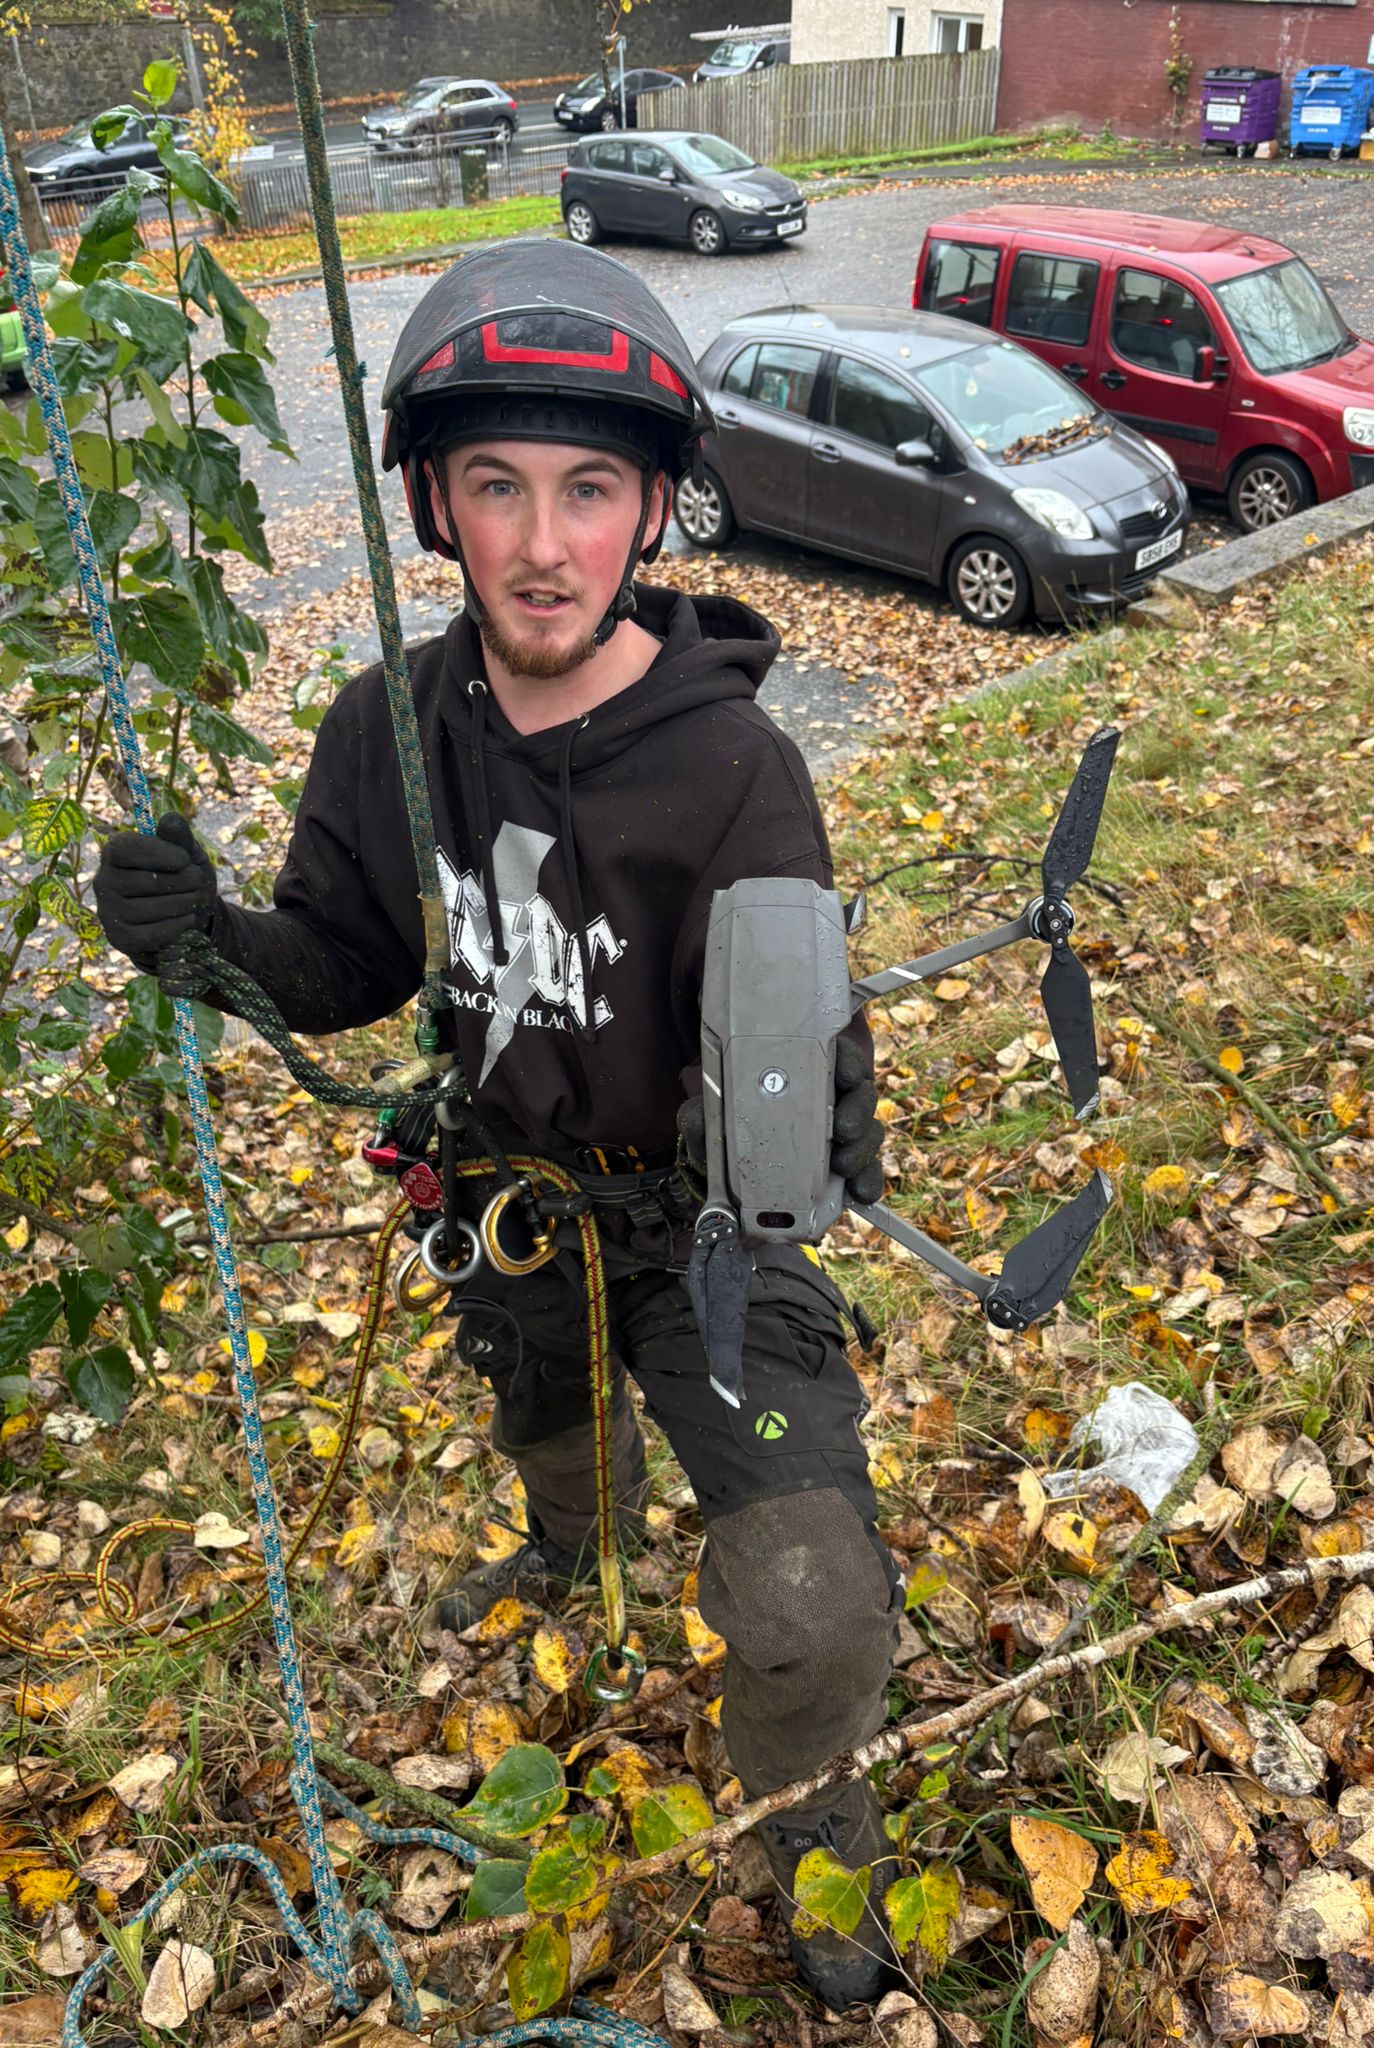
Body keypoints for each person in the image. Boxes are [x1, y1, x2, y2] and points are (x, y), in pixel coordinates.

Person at [93, 239, 901, 2011]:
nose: (544, 544)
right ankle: (570, 1542)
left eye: (589, 489)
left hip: (700, 1228)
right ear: (433, 506)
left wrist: (830, 1099)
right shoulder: (386, 730)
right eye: (498, 487)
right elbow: (341, 964)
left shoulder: (734, 769)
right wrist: (203, 937)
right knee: (549, 1422)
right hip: (507, 1196)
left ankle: (817, 1819)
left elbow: (787, 1024)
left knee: (810, 1595)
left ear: (655, 510)